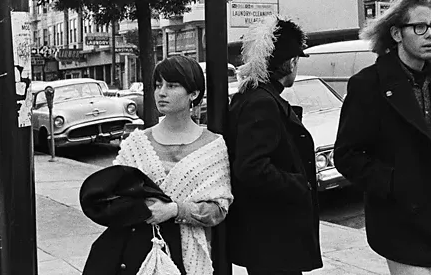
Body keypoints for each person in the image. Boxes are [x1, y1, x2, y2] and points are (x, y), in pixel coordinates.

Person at [334, 0, 431, 275]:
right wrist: (393, 182)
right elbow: (346, 155)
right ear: (396, 34)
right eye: (420, 27)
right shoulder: (369, 84)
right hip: (399, 216)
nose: (430, 34)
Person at [113, 55, 232, 275]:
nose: (161, 92)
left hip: (190, 255)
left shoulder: (213, 146)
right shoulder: (137, 144)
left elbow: (218, 210)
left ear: (193, 94)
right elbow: (115, 196)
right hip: (140, 249)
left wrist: (175, 209)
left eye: (172, 85)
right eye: (158, 85)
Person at [225, 15, 322, 275]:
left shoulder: (254, 96)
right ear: (290, 62)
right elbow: (251, 167)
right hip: (272, 237)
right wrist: (299, 184)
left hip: (267, 236)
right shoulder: (262, 102)